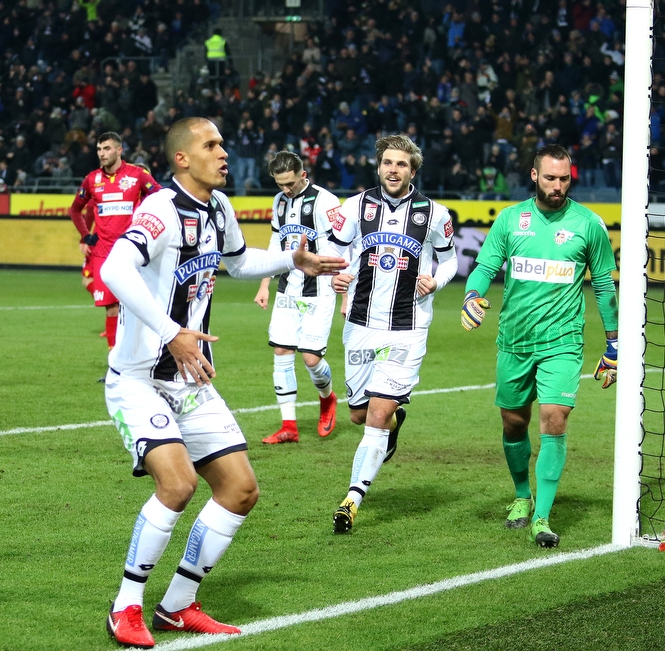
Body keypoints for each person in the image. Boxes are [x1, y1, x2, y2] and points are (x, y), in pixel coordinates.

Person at [100, 117, 346, 648]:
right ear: (182, 158)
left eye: (223, 143)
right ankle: (125, 607)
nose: (224, 152)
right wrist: (171, 333)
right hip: (139, 378)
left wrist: (292, 259)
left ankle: (177, 606)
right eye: (211, 145)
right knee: (178, 484)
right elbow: (115, 269)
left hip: (188, 376)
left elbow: (237, 262)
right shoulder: (160, 209)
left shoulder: (218, 208)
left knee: (240, 489)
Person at [461, 144, 618, 548]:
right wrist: (471, 295)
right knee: (514, 422)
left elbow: (603, 286)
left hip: (562, 342)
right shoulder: (511, 220)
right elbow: (484, 267)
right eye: (550, 178)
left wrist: (614, 342)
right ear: (535, 176)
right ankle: (521, 495)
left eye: (565, 178)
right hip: (514, 340)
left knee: (554, 417)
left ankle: (542, 517)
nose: (558, 186)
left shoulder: (588, 224)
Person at [325, 134, 458, 534]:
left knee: (377, 414)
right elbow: (336, 251)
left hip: (408, 326)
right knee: (359, 414)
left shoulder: (434, 213)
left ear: (412, 170)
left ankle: (352, 499)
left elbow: (451, 260)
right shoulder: (355, 206)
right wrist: (339, 274)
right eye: (387, 163)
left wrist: (436, 280)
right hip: (361, 323)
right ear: (379, 166)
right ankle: (392, 425)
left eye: (401, 164)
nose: (393, 170)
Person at [254, 150, 342, 444]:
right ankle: (288, 426)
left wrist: (346, 292)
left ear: (303, 174)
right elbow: (275, 244)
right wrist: (264, 284)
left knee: (311, 358)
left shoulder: (326, 202)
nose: (286, 189)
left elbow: (344, 244)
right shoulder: (279, 202)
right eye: (280, 184)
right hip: (287, 287)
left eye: (290, 183)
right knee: (281, 352)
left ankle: (327, 399)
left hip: (320, 289)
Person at [68, 132, 161, 352]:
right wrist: (86, 235)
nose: (102, 153)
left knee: (135, 307)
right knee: (110, 309)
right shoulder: (92, 179)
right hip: (102, 253)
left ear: (119, 150)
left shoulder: (137, 175)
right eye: (99, 149)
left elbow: (160, 196)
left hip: (131, 252)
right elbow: (75, 209)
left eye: (107, 148)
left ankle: (146, 356)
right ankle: (115, 365)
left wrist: (145, 220)